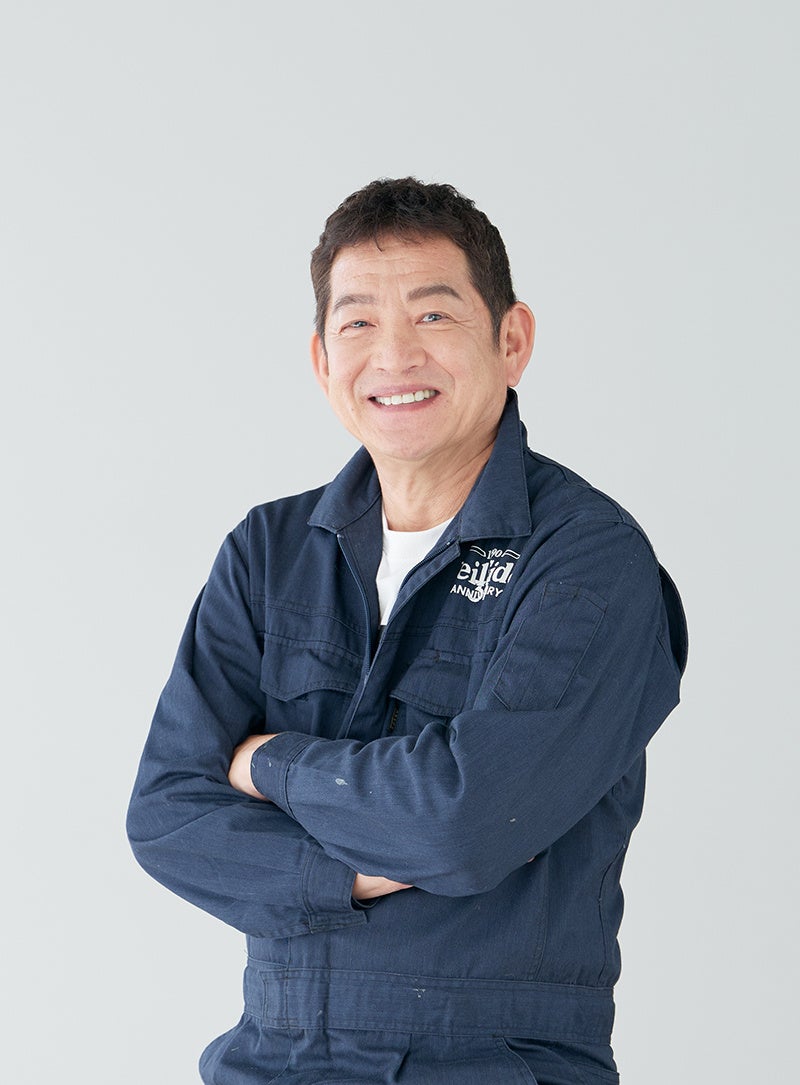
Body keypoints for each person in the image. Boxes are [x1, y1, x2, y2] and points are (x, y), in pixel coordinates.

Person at [127, 177, 688, 1084]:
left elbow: (466, 820)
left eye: (433, 315)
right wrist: (350, 871)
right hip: (270, 1058)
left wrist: (266, 763)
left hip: (494, 1062)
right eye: (358, 323)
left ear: (511, 340)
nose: (393, 355)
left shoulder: (587, 561)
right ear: (322, 359)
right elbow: (166, 814)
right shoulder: (269, 552)